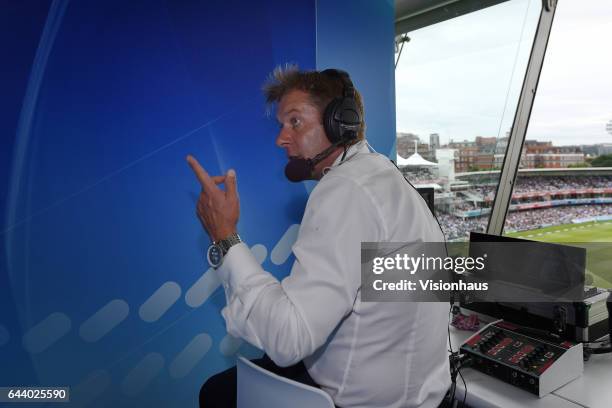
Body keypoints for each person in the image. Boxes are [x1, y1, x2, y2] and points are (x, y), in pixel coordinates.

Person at [188, 66, 450, 408]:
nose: (280, 139)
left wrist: (224, 236)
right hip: (418, 394)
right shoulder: (382, 177)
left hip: (361, 401)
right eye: (281, 125)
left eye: (295, 121)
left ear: (340, 122)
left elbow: (288, 339)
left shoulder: (344, 189)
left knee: (216, 393)